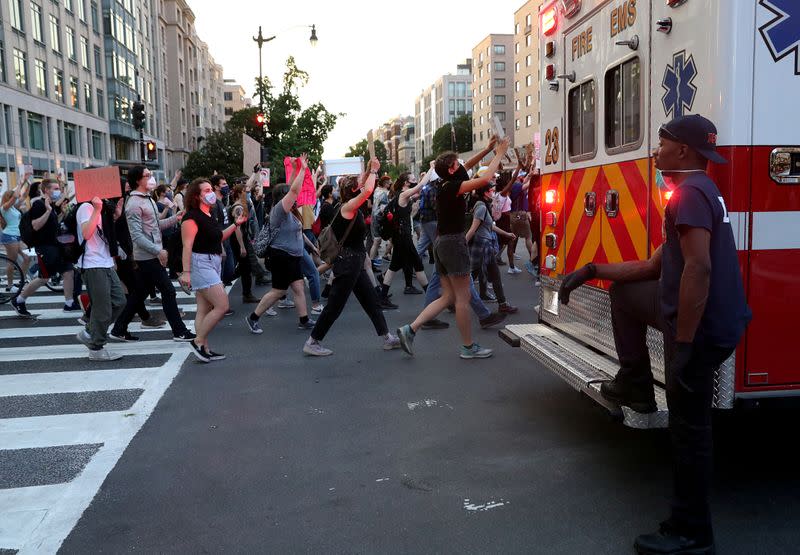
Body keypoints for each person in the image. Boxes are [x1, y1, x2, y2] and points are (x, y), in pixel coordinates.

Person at [558, 115, 751, 555]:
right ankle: (636, 384)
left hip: (702, 330)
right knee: (625, 293)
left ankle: (692, 533)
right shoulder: (699, 192)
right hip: (700, 322)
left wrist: (683, 347)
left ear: (683, 151)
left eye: (662, 142)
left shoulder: (689, 196)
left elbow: (698, 269)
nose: (655, 150)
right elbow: (652, 267)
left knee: (689, 430)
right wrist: (590, 271)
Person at [397, 136, 510, 359]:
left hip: (442, 243)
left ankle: (410, 329)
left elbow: (468, 166)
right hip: (453, 243)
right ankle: (468, 347)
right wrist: (499, 153)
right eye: (456, 164)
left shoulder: (444, 182)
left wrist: (487, 149)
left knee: (448, 296)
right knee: (462, 298)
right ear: (450, 170)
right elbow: (486, 177)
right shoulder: (452, 188)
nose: (461, 166)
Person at [303, 158, 400, 356]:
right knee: (335, 305)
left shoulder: (348, 203)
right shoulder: (348, 208)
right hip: (347, 263)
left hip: (354, 261)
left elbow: (363, 186)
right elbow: (367, 190)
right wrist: (373, 171)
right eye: (358, 183)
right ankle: (312, 341)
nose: (361, 183)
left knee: (370, 300)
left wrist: (368, 171)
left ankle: (387, 337)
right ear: (354, 190)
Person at [111, 166, 195, 342]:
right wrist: (159, 250)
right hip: (147, 256)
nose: (151, 178)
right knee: (168, 291)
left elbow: (156, 226)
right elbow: (136, 236)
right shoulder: (134, 204)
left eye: (150, 174)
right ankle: (179, 331)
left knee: (139, 294)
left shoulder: (146, 199)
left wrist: (176, 218)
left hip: (151, 254)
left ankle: (119, 328)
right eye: (147, 175)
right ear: (137, 180)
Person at [245, 154, 316, 334]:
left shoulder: (288, 211)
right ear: (283, 197)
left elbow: (289, 188)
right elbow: (292, 191)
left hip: (292, 256)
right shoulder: (279, 211)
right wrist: (302, 169)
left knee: (298, 287)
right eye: (290, 194)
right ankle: (253, 318)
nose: (295, 194)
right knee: (278, 291)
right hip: (281, 257)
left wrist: (293, 168)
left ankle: (304, 319)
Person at [179, 178, 247, 362]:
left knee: (204, 308)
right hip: (201, 263)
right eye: (206, 190)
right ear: (196, 196)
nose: (211, 193)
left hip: (213, 261)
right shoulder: (191, 217)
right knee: (222, 305)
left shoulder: (209, 214)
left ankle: (204, 347)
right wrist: (186, 272)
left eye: (211, 189)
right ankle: (198, 340)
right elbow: (187, 245)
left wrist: (236, 224)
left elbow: (218, 237)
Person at [11, 179, 77, 317]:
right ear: (46, 190)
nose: (58, 191)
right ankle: (19, 300)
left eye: (58, 188)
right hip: (45, 247)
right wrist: (48, 211)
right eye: (55, 188)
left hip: (56, 245)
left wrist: (61, 213)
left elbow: (52, 224)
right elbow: (36, 226)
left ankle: (69, 303)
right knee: (44, 278)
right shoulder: (39, 205)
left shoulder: (50, 204)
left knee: (68, 272)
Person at [74, 195, 126, 361]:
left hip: (106, 262)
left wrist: (115, 216)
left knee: (119, 301)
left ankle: (90, 332)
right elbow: (87, 233)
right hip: (92, 263)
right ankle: (96, 348)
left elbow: (106, 234)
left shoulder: (103, 207)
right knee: (102, 309)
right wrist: (96, 209)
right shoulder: (85, 208)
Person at [377, 171, 431, 300]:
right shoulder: (403, 194)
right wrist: (431, 168)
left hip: (400, 236)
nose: (415, 180)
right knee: (417, 264)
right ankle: (431, 297)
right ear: (406, 182)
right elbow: (421, 185)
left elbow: (417, 194)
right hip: (403, 237)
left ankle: (382, 297)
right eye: (413, 178)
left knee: (394, 266)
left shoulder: (404, 196)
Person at [466, 185, 518, 314]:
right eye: (491, 191)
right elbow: (473, 228)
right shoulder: (481, 207)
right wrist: (463, 244)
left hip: (485, 246)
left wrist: (506, 234)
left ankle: (502, 304)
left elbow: (490, 226)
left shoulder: (483, 205)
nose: (493, 192)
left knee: (491, 274)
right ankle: (452, 300)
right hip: (482, 246)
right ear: (485, 193)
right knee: (472, 275)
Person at [228, 183, 259, 303]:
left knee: (245, 267)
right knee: (245, 268)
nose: (248, 193)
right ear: (240, 193)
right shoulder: (238, 208)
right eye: (246, 191)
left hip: (242, 239)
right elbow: (237, 228)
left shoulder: (241, 206)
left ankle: (246, 293)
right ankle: (246, 294)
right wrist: (242, 246)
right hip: (238, 240)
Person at [1, 175, 31, 291]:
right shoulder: (5, 207)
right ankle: (9, 285)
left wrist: (27, 183)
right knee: (11, 261)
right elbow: (15, 196)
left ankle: (21, 282)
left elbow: (24, 195)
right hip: (9, 236)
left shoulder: (14, 207)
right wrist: (20, 183)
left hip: (17, 236)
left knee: (26, 258)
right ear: (9, 198)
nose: (17, 197)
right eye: (14, 197)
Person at [368, 175, 392, 266]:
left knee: (376, 241)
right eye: (389, 182)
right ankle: (384, 256)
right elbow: (383, 208)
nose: (390, 183)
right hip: (381, 219)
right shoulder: (385, 193)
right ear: (385, 183)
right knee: (379, 240)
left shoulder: (377, 190)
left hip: (374, 217)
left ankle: (371, 261)